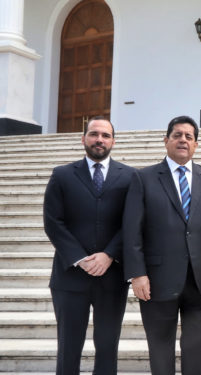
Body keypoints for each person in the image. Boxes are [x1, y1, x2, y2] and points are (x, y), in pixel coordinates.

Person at [123, 115, 201, 375]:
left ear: (196, 145)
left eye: (189, 136)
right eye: (177, 135)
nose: (183, 140)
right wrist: (137, 274)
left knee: (197, 349)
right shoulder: (144, 178)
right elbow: (132, 231)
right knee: (160, 348)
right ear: (166, 141)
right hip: (157, 280)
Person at [44, 117, 135, 375]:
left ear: (113, 141)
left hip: (112, 277)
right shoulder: (61, 175)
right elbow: (53, 222)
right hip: (70, 277)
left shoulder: (130, 177)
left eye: (105, 135)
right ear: (83, 138)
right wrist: (80, 258)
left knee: (107, 347)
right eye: (94, 134)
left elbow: (131, 223)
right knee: (68, 348)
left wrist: (109, 255)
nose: (99, 140)